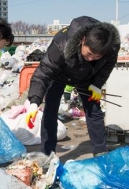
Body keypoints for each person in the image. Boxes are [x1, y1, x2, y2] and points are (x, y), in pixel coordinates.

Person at [25, 16, 121, 157]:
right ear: (82, 40)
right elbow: (43, 73)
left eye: (96, 56)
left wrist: (97, 85)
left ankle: (101, 152)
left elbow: (107, 66)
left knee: (94, 111)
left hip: (87, 76)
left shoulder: (111, 47)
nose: (91, 58)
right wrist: (34, 102)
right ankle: (46, 154)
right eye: (89, 53)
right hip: (59, 74)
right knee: (50, 110)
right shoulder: (61, 44)